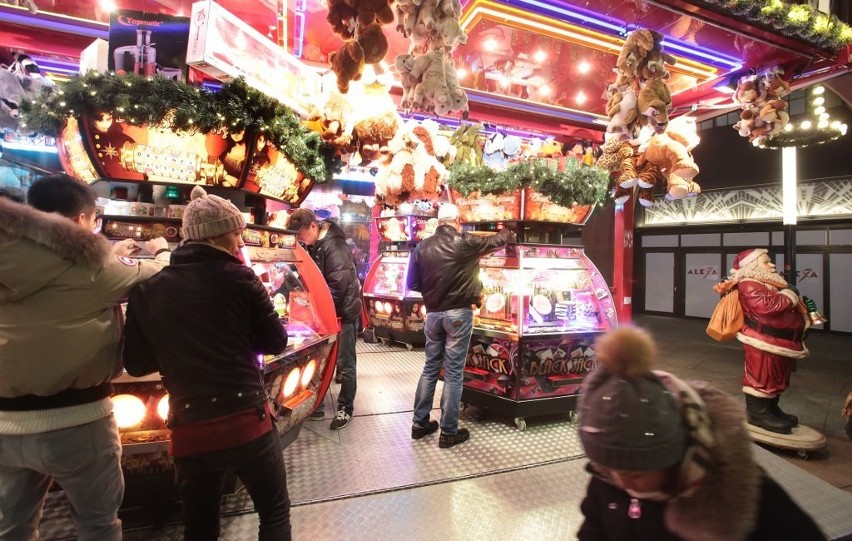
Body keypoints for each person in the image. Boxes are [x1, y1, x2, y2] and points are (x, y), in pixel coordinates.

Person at [0, 173, 170, 541]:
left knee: (13, 527)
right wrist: (162, 249)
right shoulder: (91, 265)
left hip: (5, 422)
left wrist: (112, 254)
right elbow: (158, 276)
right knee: (98, 526)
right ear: (80, 220)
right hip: (77, 421)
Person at [122, 185, 291, 540]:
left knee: (200, 527)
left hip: (190, 427)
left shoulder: (147, 289)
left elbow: (136, 364)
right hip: (248, 420)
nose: (241, 243)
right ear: (214, 235)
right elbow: (275, 340)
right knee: (273, 512)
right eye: (235, 233)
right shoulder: (242, 279)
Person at [576, 326, 826, 541]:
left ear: (675, 453)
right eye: (608, 469)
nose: (621, 481)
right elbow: (593, 531)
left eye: (636, 474)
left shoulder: (743, 499)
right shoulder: (608, 472)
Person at [407, 203, 514, 448]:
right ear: (457, 220)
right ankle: (448, 432)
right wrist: (507, 227)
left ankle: (419, 424)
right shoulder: (465, 241)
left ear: (438, 222)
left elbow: (413, 284)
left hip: (433, 315)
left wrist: (434, 291)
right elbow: (499, 240)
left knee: (430, 368)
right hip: (459, 315)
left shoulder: (421, 247)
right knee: (454, 373)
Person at [287, 207, 363, 429]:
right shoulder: (317, 245)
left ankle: (345, 408)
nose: (302, 240)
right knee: (323, 360)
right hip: (326, 313)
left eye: (302, 235)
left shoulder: (334, 246)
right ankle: (317, 404)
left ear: (313, 226)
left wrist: (312, 307)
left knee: (345, 363)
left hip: (343, 314)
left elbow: (337, 287)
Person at [720, 248, 810, 434]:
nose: (772, 265)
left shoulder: (766, 283)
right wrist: (789, 294)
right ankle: (758, 414)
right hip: (761, 339)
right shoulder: (749, 284)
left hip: (777, 341)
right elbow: (767, 306)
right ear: (752, 266)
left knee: (776, 375)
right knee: (762, 376)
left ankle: (771, 409)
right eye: (766, 262)